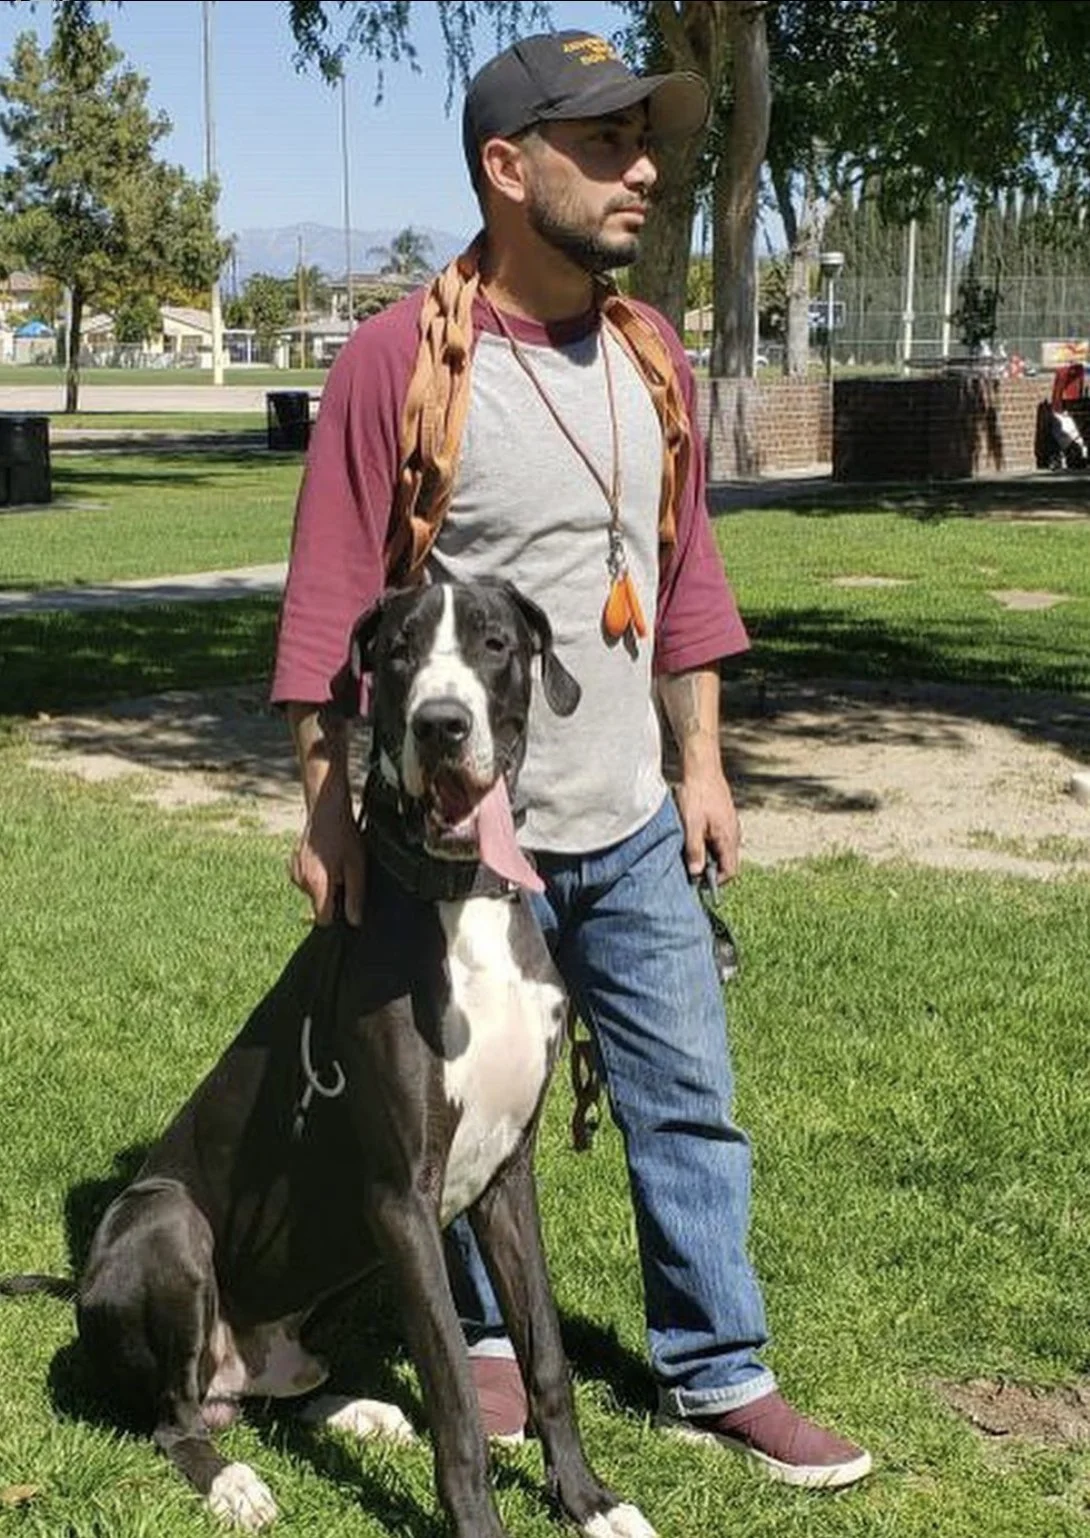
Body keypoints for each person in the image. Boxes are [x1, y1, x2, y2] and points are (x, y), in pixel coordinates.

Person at [271, 29, 872, 1491]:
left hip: (623, 814)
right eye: (603, 142)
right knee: (456, 1110)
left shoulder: (648, 349)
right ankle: (478, 1346)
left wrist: (704, 767)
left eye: (645, 141)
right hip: (458, 855)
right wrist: (331, 809)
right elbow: (326, 606)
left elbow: (682, 579)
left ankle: (718, 1367)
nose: (645, 170)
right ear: (506, 166)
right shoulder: (397, 360)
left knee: (684, 1090)